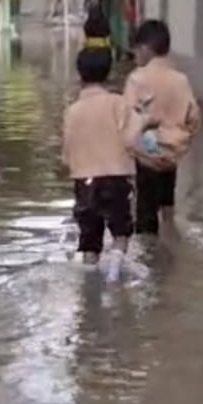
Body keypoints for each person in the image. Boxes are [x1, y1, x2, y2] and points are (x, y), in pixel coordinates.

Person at [123, 18, 201, 236]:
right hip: (171, 154)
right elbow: (194, 118)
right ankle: (171, 249)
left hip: (146, 156)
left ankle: (152, 262)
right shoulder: (181, 80)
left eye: (137, 49)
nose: (135, 54)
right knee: (168, 209)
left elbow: (127, 119)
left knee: (145, 217)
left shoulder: (136, 79)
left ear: (146, 48)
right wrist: (182, 141)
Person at [63, 46, 135, 270]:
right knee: (121, 233)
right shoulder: (119, 103)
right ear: (109, 72)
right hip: (116, 178)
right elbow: (131, 139)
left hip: (85, 181)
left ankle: (89, 289)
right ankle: (114, 273)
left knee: (90, 242)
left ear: (79, 73)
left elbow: (67, 154)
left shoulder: (72, 111)